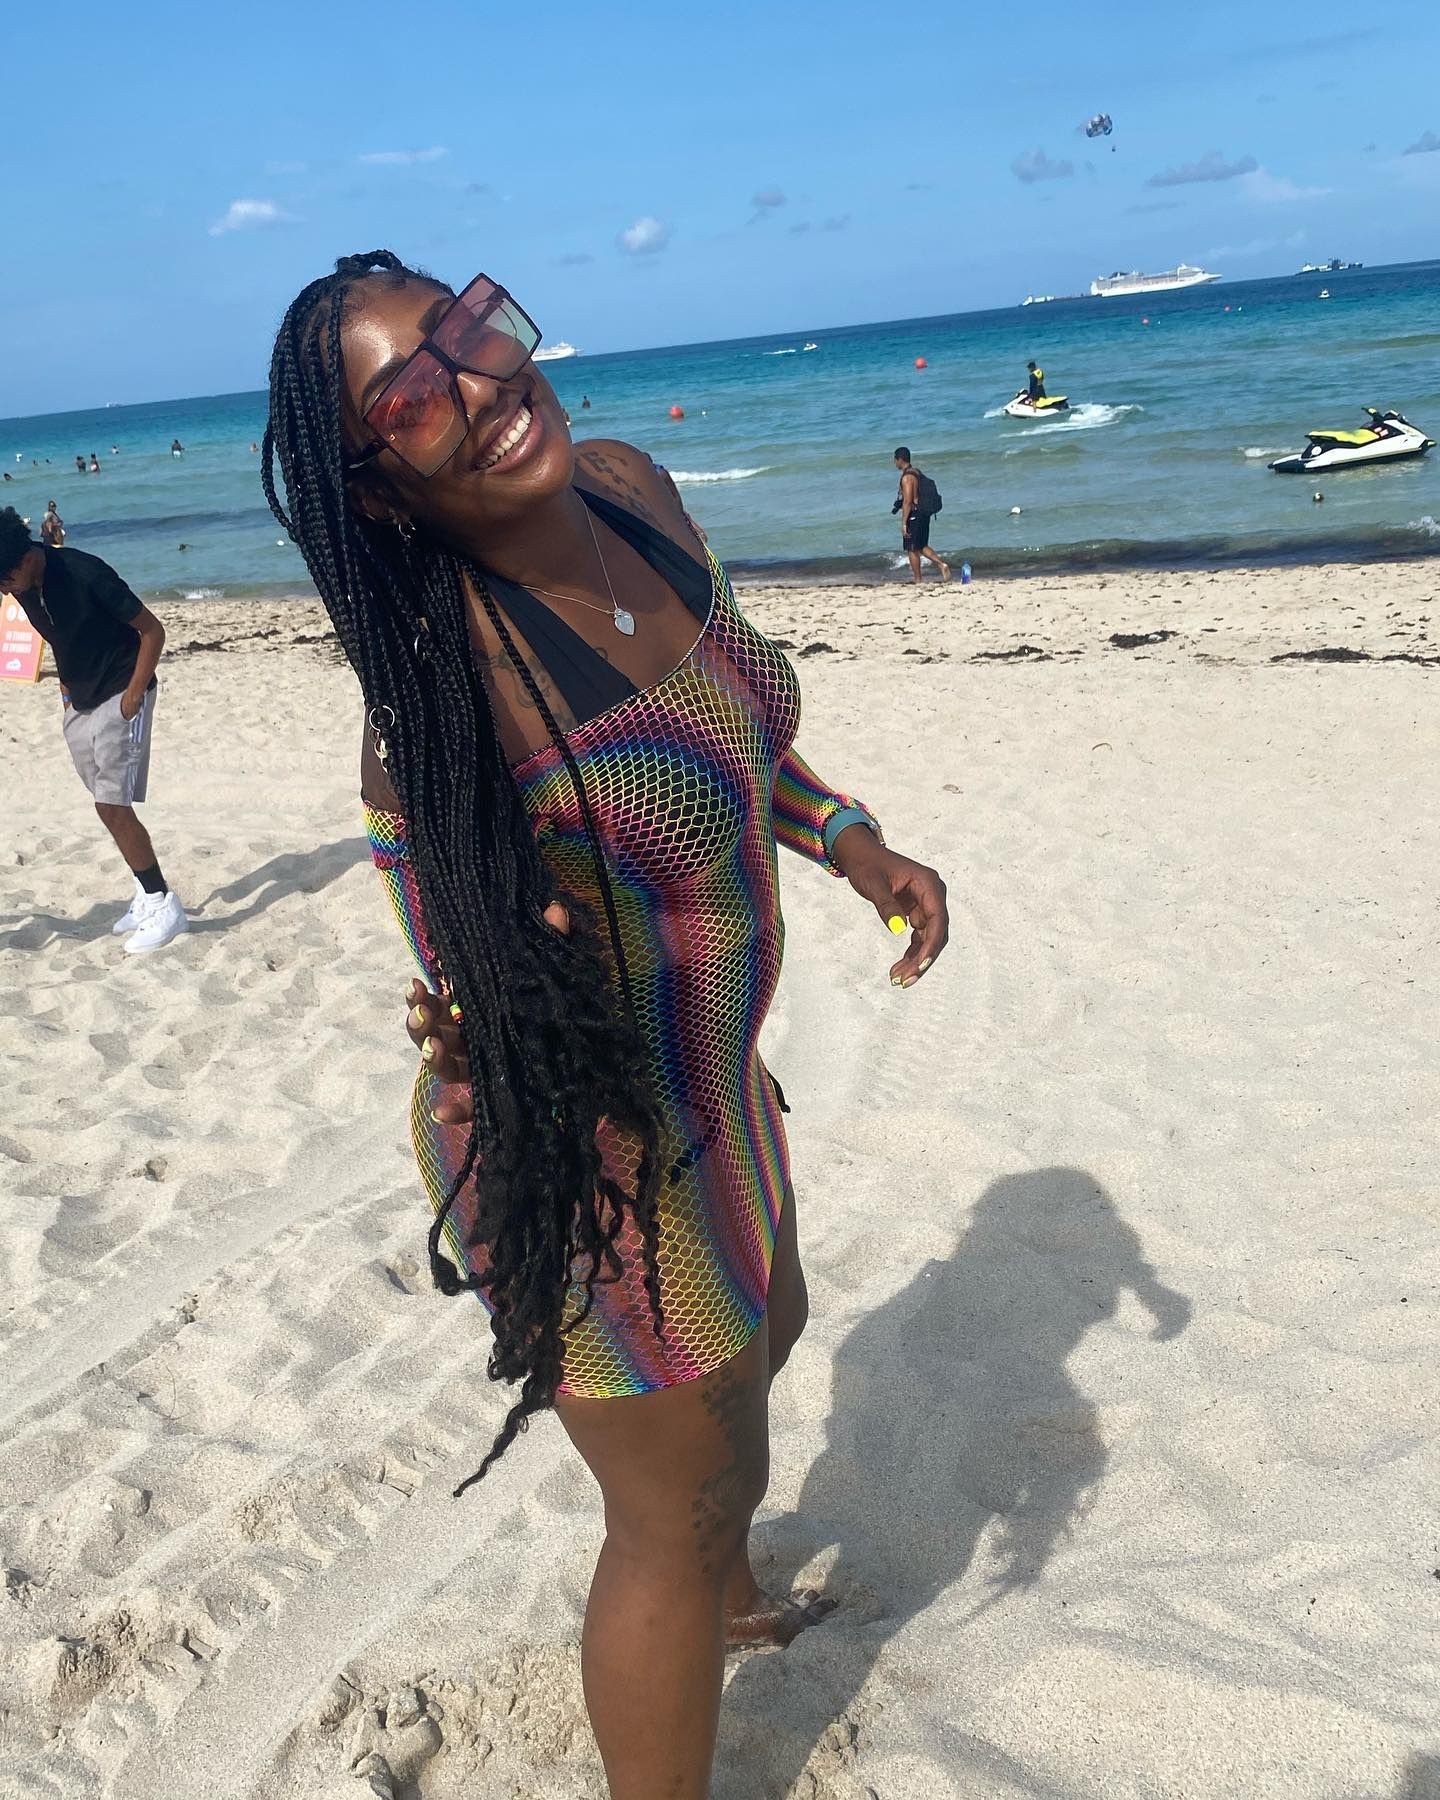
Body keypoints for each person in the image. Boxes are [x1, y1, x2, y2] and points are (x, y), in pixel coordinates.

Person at [264, 251, 948, 1800]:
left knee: (767, 1344)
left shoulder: (637, 489)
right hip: (591, 1154)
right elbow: (475, 1000)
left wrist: (849, 838)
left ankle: (737, 1592)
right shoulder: (453, 726)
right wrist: (491, 987)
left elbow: (731, 739)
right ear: (377, 490)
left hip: (716, 1080)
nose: (484, 385)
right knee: (669, 1507)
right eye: (416, 397)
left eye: (472, 331)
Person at [0, 507, 188, 952]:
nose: (4, 590)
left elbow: (152, 631)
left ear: (26, 560)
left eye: (5, 580)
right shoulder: (26, 587)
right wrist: (65, 691)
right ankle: (147, 892)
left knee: (111, 806)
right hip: (79, 702)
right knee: (103, 801)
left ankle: (163, 903)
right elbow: (58, 635)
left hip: (121, 692)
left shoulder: (86, 573)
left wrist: (135, 695)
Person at [891, 447, 951, 585]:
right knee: (921, 545)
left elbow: (907, 501)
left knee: (911, 548)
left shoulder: (907, 477)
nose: (895, 463)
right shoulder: (917, 472)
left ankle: (918, 579)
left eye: (895, 460)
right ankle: (942, 564)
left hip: (915, 515)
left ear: (900, 459)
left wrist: (904, 523)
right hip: (923, 513)